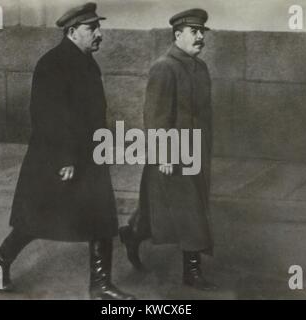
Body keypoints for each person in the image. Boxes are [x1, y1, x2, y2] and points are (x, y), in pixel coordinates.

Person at [0, 2, 135, 300]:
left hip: (90, 155)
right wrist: (64, 159)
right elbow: (47, 116)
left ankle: (100, 285)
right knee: (36, 219)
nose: (99, 33)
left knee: (101, 218)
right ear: (72, 31)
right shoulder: (52, 63)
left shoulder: (86, 62)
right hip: (58, 158)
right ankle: (0, 260)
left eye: (98, 27)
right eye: (91, 28)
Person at [119, 8, 217, 291]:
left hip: (195, 153)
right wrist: (163, 153)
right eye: (194, 32)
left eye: (202, 33)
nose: (200, 38)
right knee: (191, 211)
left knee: (160, 212)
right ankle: (192, 271)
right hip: (173, 155)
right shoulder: (165, 66)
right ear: (178, 35)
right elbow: (156, 115)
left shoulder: (199, 67)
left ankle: (133, 234)